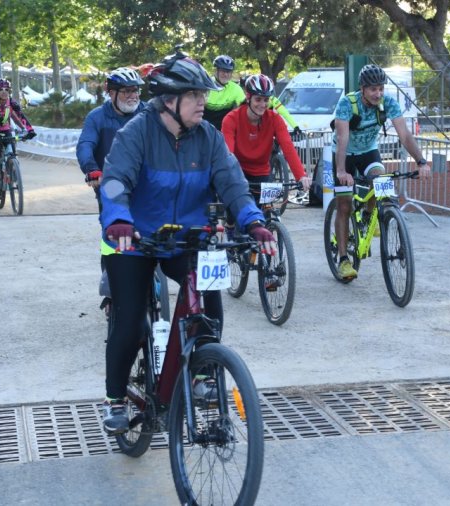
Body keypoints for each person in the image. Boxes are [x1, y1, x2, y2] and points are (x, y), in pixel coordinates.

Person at [97, 48, 276, 434]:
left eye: (204, 95)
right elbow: (114, 182)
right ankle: (114, 399)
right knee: (128, 321)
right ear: (169, 100)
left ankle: (203, 370)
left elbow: (234, 185)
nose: (203, 102)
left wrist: (254, 222)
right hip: (134, 239)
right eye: (196, 96)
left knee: (209, 296)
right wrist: (118, 221)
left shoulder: (208, 137)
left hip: (186, 239)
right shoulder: (137, 133)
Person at [332, 64, 431, 280]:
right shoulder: (347, 104)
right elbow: (343, 138)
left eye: (381, 88)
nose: (378, 93)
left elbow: (404, 135)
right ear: (363, 89)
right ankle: (343, 260)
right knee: (344, 204)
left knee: (382, 180)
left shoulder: (389, 104)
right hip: (344, 153)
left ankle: (369, 216)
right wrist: (341, 170)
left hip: (369, 151)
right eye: (373, 89)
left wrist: (421, 161)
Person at [221, 73, 311, 190]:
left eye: (266, 100)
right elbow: (228, 154)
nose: (263, 105)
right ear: (248, 97)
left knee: (265, 207)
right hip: (238, 172)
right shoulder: (231, 119)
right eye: (258, 99)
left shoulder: (274, 119)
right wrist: (227, 176)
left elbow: (288, 147)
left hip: (262, 173)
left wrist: (301, 176)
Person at [76, 67, 147, 211]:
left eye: (135, 90)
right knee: (115, 223)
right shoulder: (96, 117)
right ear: (112, 93)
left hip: (144, 181)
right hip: (111, 181)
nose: (133, 96)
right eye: (127, 91)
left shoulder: (147, 112)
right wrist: (92, 169)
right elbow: (85, 145)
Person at [0, 78, 36, 201]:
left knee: (12, 154)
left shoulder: (11, 102)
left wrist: (30, 130)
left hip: (5, 130)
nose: (4, 92)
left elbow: (21, 116)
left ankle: (12, 170)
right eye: (1, 89)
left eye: (7, 89)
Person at [203, 54, 245, 130]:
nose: (225, 74)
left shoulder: (236, 88)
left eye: (228, 71)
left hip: (224, 127)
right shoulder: (205, 85)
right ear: (215, 71)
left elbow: (244, 107)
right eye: (222, 71)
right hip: (204, 125)